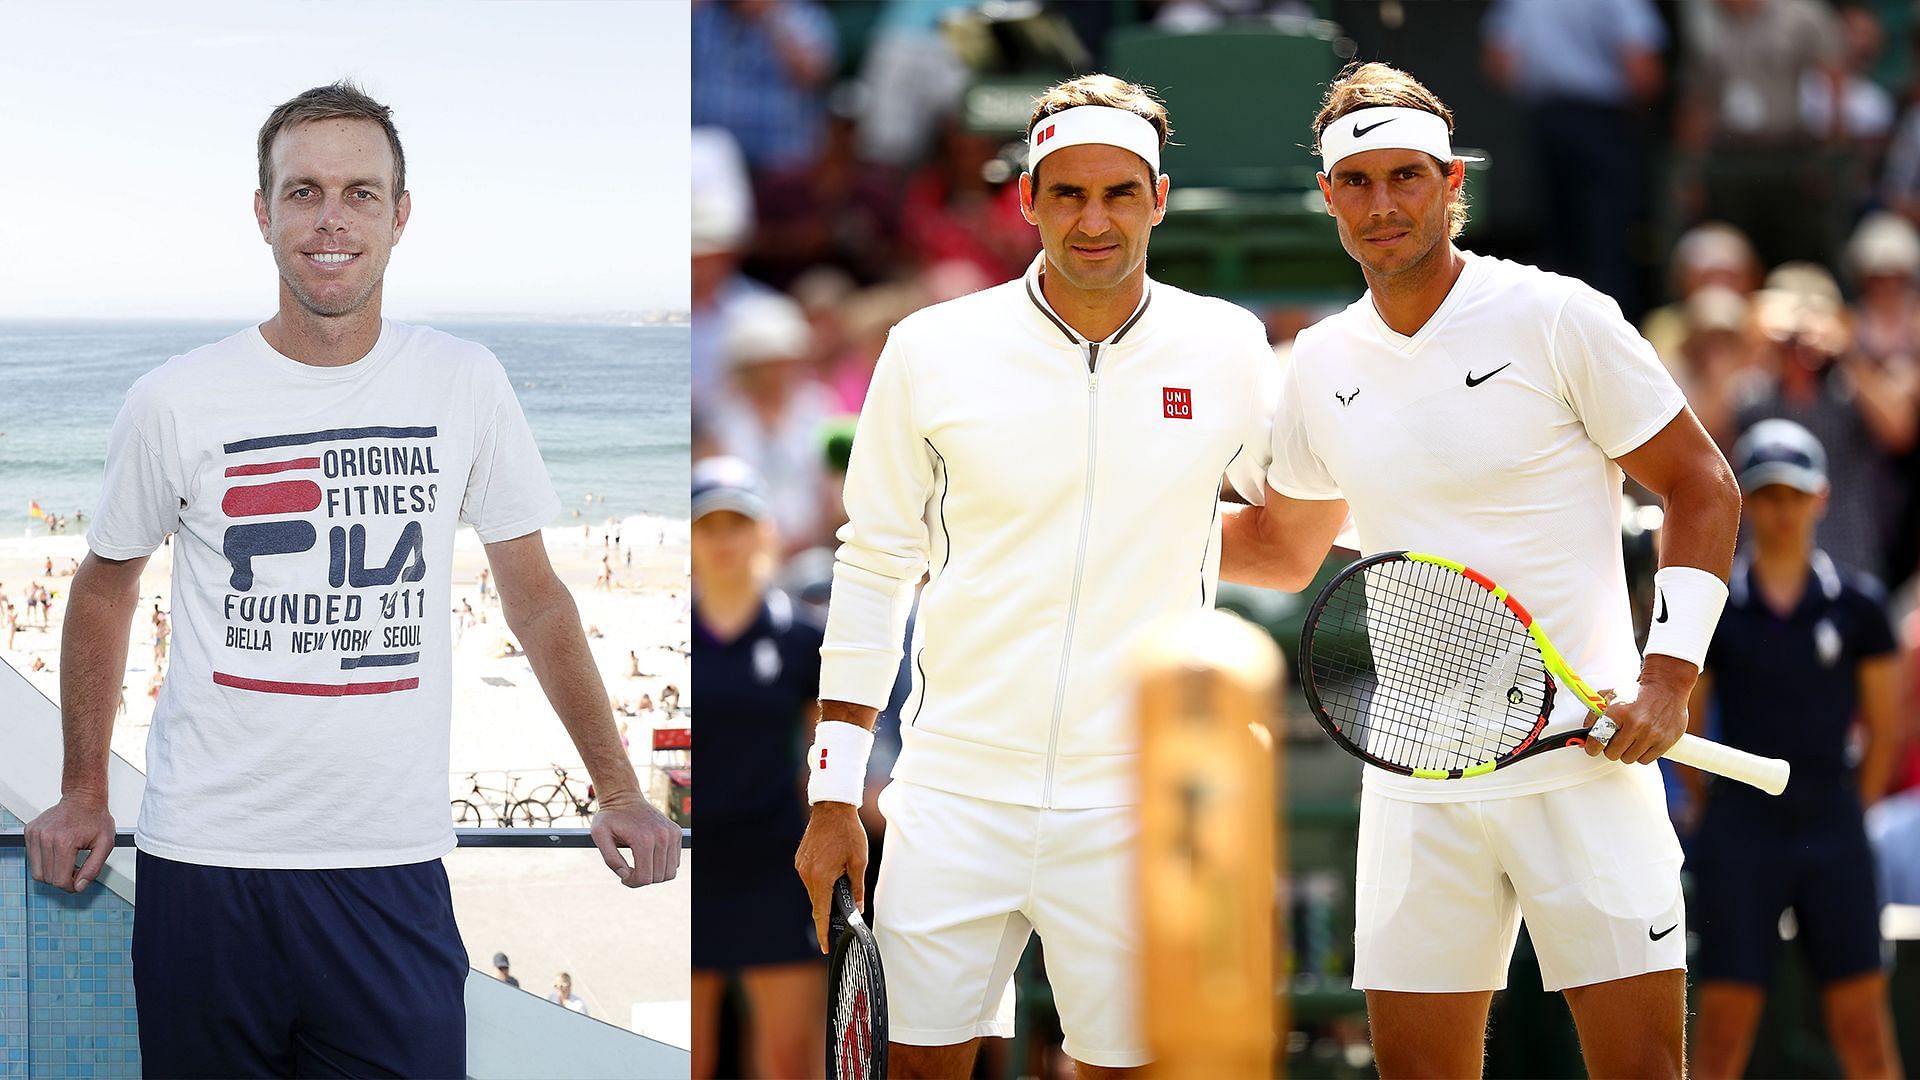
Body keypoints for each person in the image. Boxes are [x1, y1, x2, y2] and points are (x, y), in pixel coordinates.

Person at [20, 82, 681, 1079]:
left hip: (389, 870)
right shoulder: (175, 399)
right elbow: (106, 585)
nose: (332, 218)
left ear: (400, 215)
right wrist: (79, 788)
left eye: (361, 194)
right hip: (206, 866)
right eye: (305, 192)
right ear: (263, 212)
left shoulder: (463, 382)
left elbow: (537, 598)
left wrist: (620, 785)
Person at [1219, 63, 1742, 1077]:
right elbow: (1283, 548)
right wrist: (1101, 523)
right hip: (1417, 782)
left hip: (1585, 767)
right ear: (1328, 196)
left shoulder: (1558, 318)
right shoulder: (1321, 365)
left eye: (1407, 177)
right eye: (1358, 182)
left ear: (1452, 181)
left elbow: (1703, 486)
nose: (1384, 204)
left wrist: (1670, 676)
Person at [794, 74, 1275, 1075]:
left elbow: (1307, 512)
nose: (1093, 220)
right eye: (1067, 194)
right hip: (952, 793)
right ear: (1027, 200)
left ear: (1159, 198)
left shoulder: (1230, 347)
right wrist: (834, 793)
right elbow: (877, 558)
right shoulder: (931, 349)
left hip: (1140, 802)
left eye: (1118, 193)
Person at [1683, 419, 1904, 1079]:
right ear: (1750, 503)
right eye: (1769, 495)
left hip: (1831, 827)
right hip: (1741, 832)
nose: (1783, 511)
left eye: (1795, 494)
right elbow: (1689, 727)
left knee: (1863, 1023)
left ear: (1821, 497)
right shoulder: (1719, 608)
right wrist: (1716, 812)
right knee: (1723, 1027)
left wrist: (1847, 811)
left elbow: (1885, 727)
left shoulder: (1860, 607)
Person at [690, 457, 825, 1079]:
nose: (723, 539)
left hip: (778, 871)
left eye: (736, 523)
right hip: (690, 872)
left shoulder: (804, 640)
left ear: (763, 530)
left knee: (788, 1063)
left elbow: (828, 765)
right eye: (708, 524)